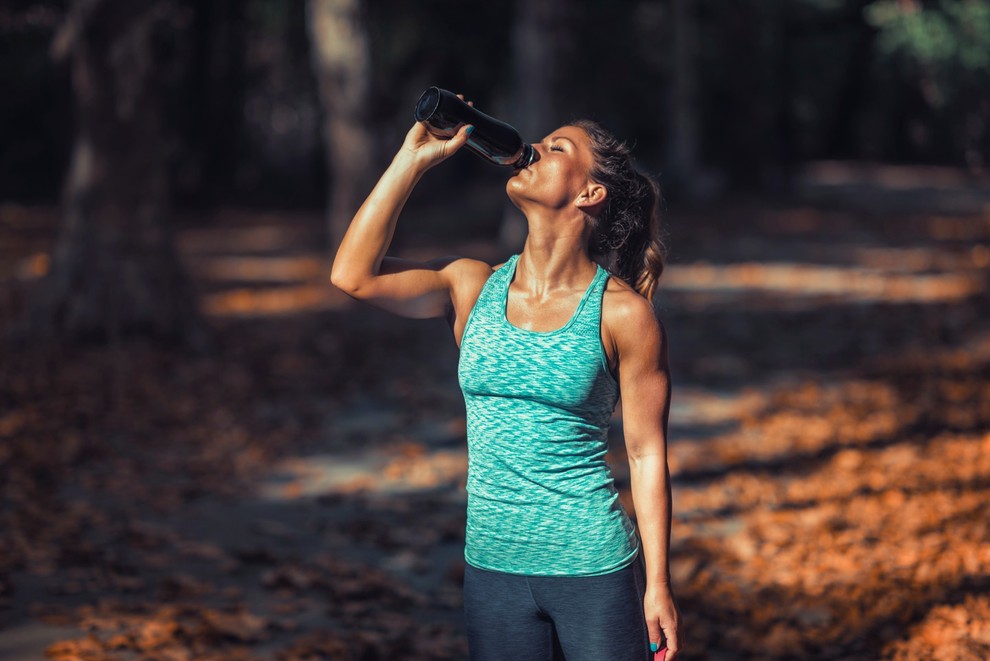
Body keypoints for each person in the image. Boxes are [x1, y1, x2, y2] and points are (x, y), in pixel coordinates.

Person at [330, 97, 682, 661]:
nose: (534, 149)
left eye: (558, 147)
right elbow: (352, 275)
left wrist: (658, 584)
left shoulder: (622, 314)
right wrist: (411, 159)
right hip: (492, 567)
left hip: (590, 566)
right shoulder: (471, 286)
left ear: (590, 193)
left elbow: (645, 456)